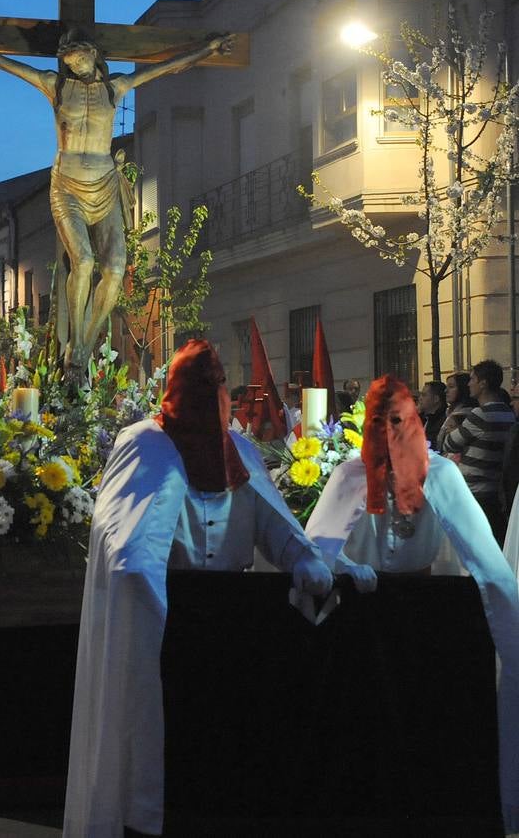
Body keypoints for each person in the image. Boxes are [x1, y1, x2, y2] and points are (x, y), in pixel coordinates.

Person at [63, 340, 332, 838]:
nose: (213, 398)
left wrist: (303, 557)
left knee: (227, 746)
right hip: (165, 623)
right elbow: (123, 537)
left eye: (218, 386)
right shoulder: (144, 445)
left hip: (234, 624)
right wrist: (139, 577)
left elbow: (273, 522)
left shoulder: (241, 451)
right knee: (164, 741)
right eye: (200, 387)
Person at [0, 17, 233, 377]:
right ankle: (75, 348)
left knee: (115, 269)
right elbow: (1, 62)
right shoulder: (55, 85)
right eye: (69, 62)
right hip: (68, 186)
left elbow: (167, 67)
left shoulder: (115, 88)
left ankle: (84, 343)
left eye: (80, 59)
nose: (75, 66)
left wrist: (207, 50)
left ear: (93, 54)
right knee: (84, 262)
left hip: (105, 184)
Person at [305, 374, 519, 834]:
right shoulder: (350, 475)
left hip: (425, 615)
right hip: (364, 616)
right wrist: (345, 564)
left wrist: (507, 615)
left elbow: (483, 555)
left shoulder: (440, 475)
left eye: (398, 423)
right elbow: (315, 549)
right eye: (380, 425)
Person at [443, 359, 515, 545]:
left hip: (475, 493)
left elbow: (449, 444)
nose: (469, 384)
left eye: (472, 379)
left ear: (483, 383)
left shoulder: (480, 415)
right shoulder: (508, 413)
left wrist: (452, 430)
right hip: (495, 492)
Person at [435, 371, 474, 452]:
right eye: (446, 387)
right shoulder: (448, 413)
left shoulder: (464, 415)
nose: (446, 391)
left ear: (462, 389)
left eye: (451, 387)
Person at [418, 380, 446, 450]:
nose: (420, 398)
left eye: (424, 395)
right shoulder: (423, 418)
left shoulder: (444, 421)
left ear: (436, 399)